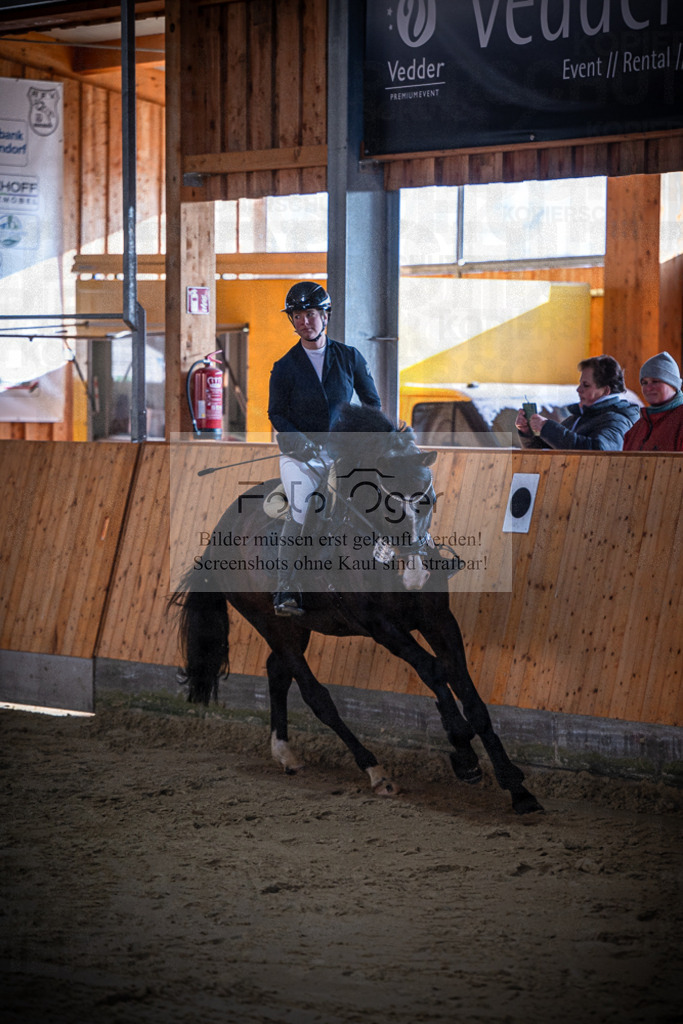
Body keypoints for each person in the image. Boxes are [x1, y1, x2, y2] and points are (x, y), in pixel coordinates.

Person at [267, 281, 382, 616]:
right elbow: (277, 412)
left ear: (325, 316)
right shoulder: (284, 366)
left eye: (310, 314)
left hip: (341, 452)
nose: (304, 321)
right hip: (299, 456)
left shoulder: (349, 357)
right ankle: (285, 589)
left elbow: (371, 402)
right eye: (297, 316)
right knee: (302, 506)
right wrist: (298, 441)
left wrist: (365, 437)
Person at [515, 355, 639, 450]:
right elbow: (546, 450)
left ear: (605, 390)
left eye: (586, 385)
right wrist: (527, 432)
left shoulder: (616, 421)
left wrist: (548, 428)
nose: (578, 390)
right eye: (580, 384)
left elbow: (598, 452)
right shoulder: (578, 418)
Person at [623, 351, 683, 452]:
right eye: (644, 383)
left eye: (655, 381)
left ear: (673, 385)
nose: (648, 388)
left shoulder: (680, 419)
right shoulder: (637, 428)